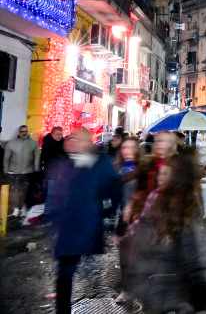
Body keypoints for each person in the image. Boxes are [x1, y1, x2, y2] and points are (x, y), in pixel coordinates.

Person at [126, 154, 206, 313]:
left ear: (177, 177)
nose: (159, 178)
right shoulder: (170, 204)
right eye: (160, 173)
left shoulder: (172, 205)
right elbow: (195, 260)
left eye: (165, 174)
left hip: (158, 288)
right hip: (169, 291)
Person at [45, 128, 121, 314]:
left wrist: (104, 211)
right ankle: (63, 309)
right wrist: (52, 215)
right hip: (66, 226)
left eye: (76, 138)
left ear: (88, 142)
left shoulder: (101, 163)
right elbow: (55, 193)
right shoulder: (63, 163)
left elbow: (115, 189)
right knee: (65, 272)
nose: (71, 141)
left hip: (85, 225)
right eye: (70, 138)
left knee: (71, 269)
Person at [113, 136, 141, 304]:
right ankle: (127, 290)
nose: (128, 151)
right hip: (123, 218)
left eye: (131, 147)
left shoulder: (144, 169)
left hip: (140, 218)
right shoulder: (117, 169)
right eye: (124, 148)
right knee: (124, 258)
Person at [3, 125, 40, 217]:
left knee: (24, 191)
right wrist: (5, 169)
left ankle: (20, 208)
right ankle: (15, 209)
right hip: (13, 172)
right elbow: (6, 158)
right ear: (19, 132)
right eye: (22, 131)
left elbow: (37, 156)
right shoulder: (11, 143)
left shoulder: (33, 143)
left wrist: (36, 168)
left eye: (26, 131)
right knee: (14, 191)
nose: (24, 133)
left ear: (28, 132)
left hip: (27, 171)